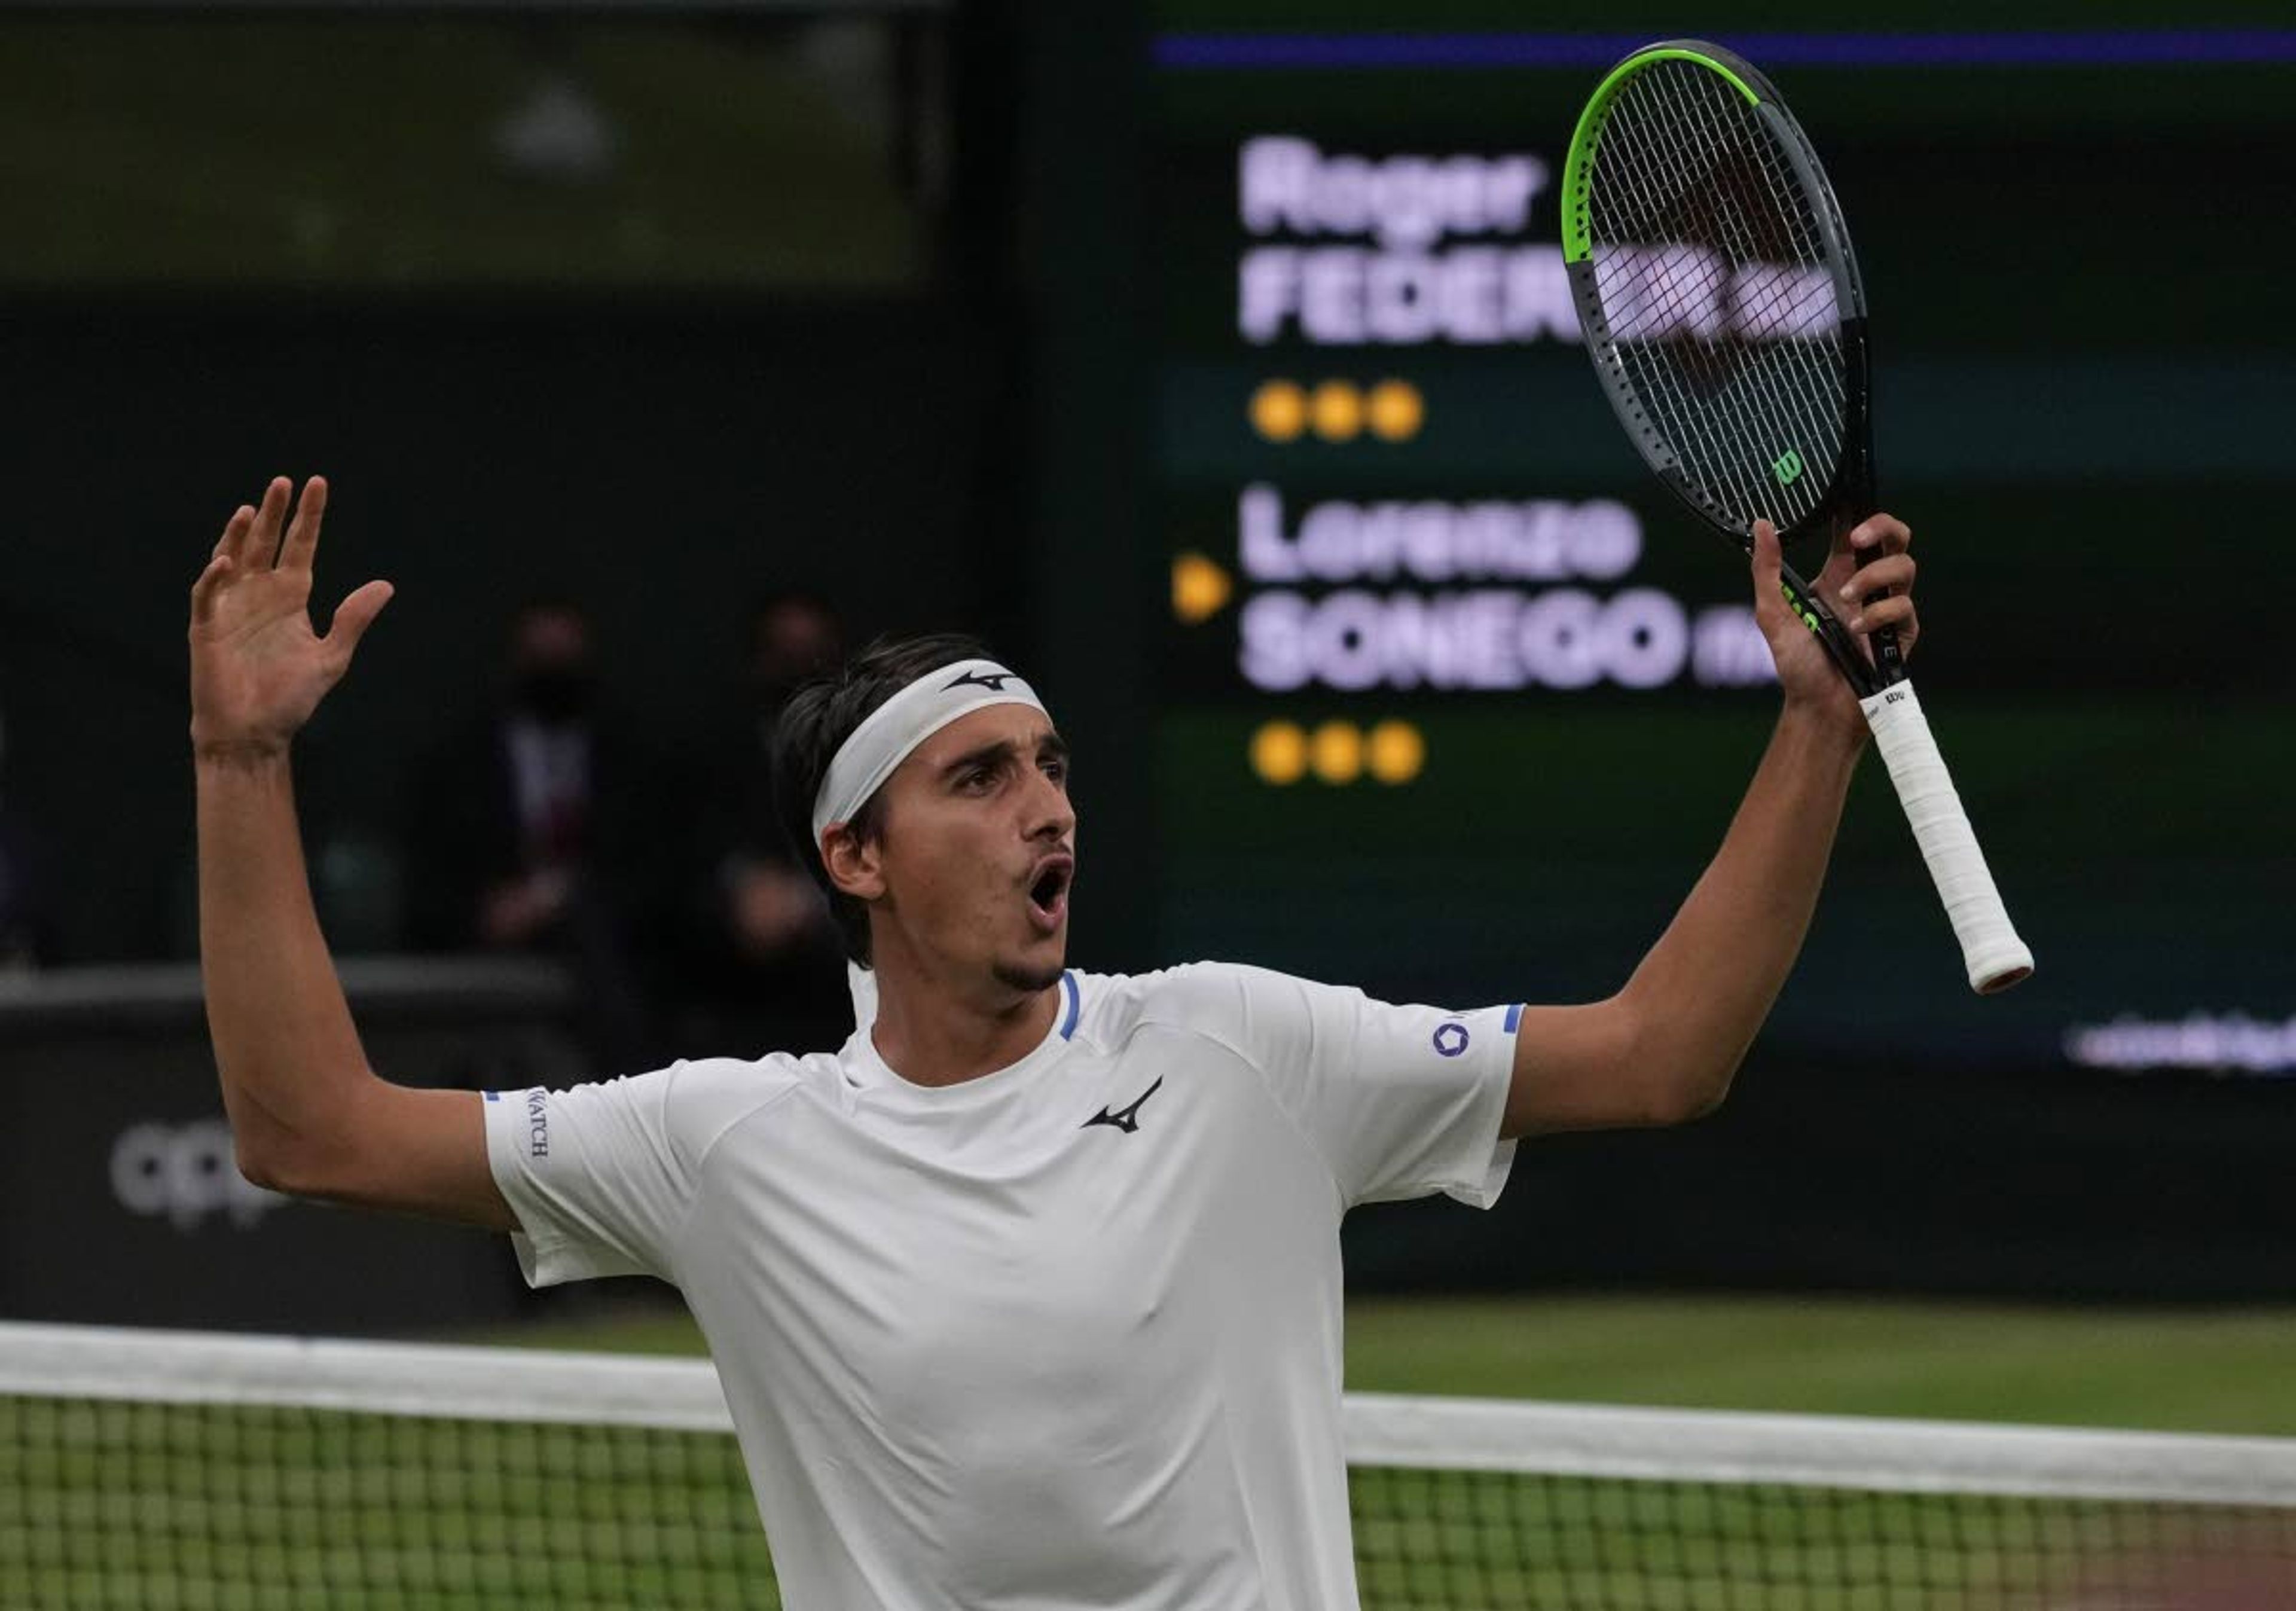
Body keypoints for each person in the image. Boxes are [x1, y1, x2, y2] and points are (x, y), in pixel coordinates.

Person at [191, 474, 1920, 1609]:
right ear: (853, 856)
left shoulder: (1246, 1047)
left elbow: (1663, 1050)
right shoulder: (727, 1142)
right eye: (981, 776)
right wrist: (244, 766)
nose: (1047, 808)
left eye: (1055, 767)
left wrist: (1817, 731)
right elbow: (311, 1128)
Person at [405, 596, 665, 1071]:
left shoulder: (628, 757)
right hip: (485, 941)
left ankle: (629, 1087)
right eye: (542, 659)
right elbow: (428, 884)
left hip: (610, 938)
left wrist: (562, 898)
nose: (554, 675)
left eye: (565, 660)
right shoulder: (461, 763)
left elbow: (655, 867)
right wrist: (490, 912)